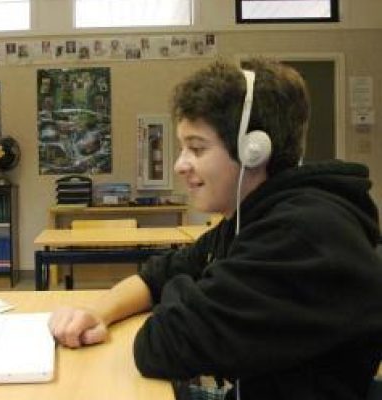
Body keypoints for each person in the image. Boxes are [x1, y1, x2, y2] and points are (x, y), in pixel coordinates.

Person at [49, 58, 382, 400]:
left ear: (253, 151)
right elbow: (159, 275)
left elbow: (164, 344)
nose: (180, 164)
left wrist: (192, 286)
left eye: (196, 147)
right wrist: (95, 312)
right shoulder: (253, 216)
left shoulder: (301, 234)